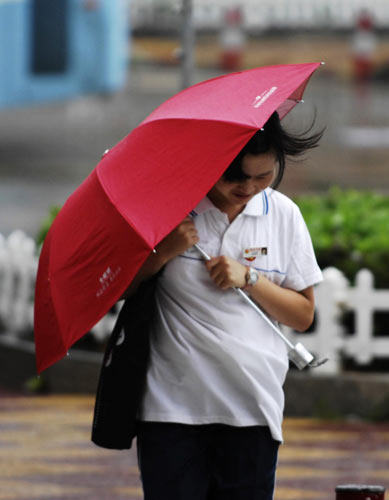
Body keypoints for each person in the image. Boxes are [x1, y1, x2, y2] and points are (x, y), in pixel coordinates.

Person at [125, 111, 324, 500]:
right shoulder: (171, 208)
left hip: (252, 407)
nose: (249, 188)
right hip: (171, 408)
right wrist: (163, 253)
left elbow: (302, 315)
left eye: (263, 176)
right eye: (236, 177)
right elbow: (122, 290)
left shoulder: (283, 215)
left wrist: (250, 278)